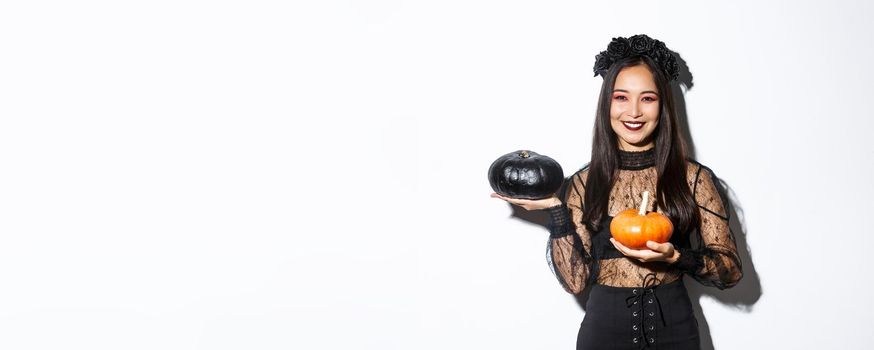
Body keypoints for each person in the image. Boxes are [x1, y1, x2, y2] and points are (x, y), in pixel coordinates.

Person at [490, 34, 743, 350]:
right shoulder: (583, 183)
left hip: (676, 335)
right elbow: (575, 281)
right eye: (621, 97)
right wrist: (557, 212)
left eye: (647, 98)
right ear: (606, 103)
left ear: (662, 106)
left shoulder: (693, 178)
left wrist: (676, 256)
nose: (634, 112)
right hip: (603, 336)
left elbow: (730, 272)